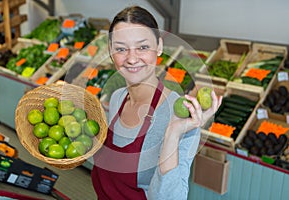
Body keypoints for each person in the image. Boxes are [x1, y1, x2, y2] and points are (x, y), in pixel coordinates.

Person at [91, 5, 222, 200]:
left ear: (159, 47)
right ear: (111, 51)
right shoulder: (118, 97)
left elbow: (171, 198)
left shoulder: (183, 115)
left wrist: (172, 134)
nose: (132, 58)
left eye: (143, 47)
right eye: (121, 49)